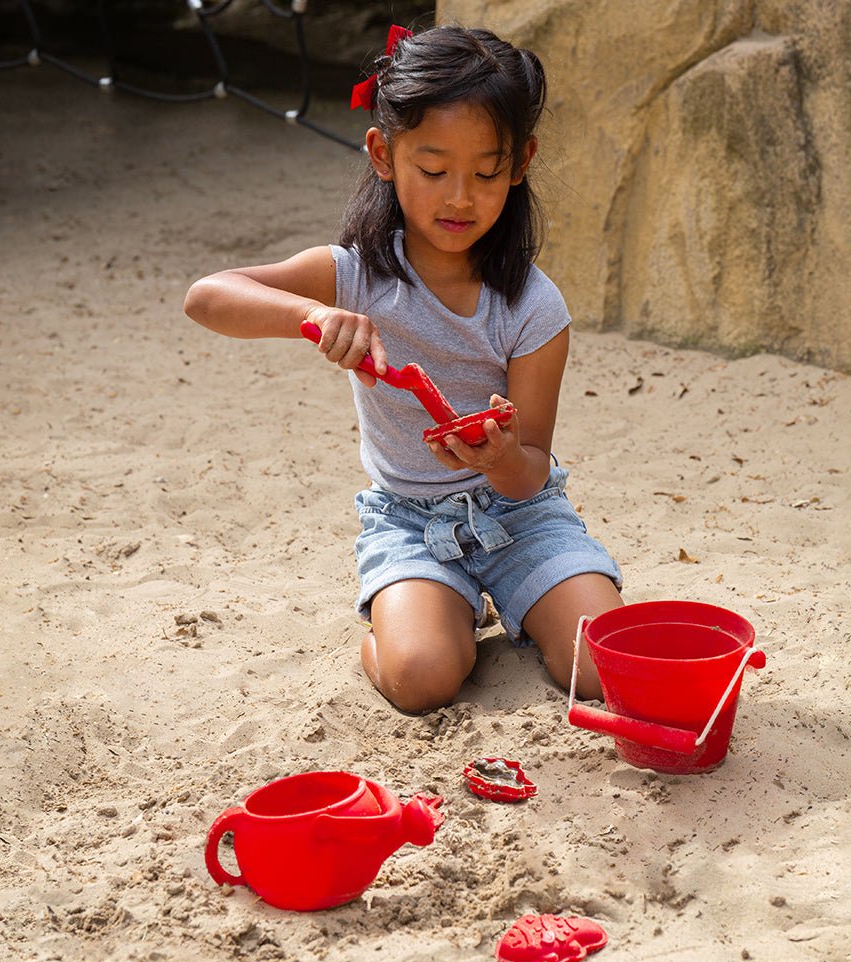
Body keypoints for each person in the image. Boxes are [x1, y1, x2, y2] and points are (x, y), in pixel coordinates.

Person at [184, 24, 623, 714]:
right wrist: (314, 316)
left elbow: (533, 464)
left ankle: (518, 607)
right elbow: (206, 296)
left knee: (604, 668)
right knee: (422, 680)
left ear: (520, 162)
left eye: (485, 173)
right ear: (383, 155)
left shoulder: (533, 306)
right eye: (433, 168)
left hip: (523, 516)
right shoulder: (354, 275)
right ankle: (416, 628)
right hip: (408, 522)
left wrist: (502, 459)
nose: (459, 198)